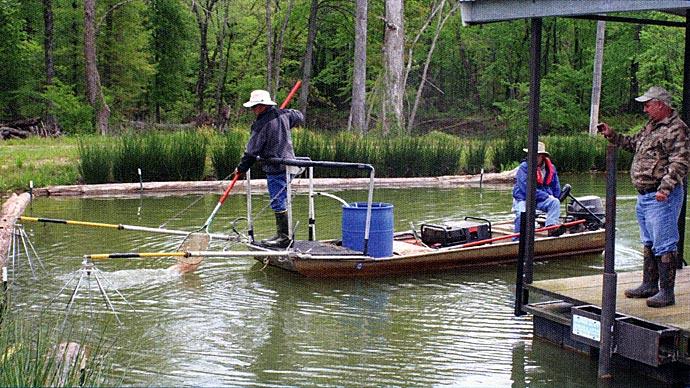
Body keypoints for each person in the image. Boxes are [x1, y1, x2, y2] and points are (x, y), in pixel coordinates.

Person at [598, 86, 690, 308]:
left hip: (662, 196)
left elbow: (681, 161)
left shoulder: (677, 129)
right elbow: (632, 143)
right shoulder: (651, 127)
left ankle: (666, 292)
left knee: (665, 243)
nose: (645, 108)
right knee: (649, 242)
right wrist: (612, 135)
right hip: (645, 196)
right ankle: (649, 284)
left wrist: (665, 188)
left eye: (648, 104)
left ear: (660, 104)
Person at [234, 89, 304, 248]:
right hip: (290, 164)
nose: (253, 110)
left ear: (262, 106)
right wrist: (285, 118)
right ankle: (283, 235)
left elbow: (251, 151)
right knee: (280, 200)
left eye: (254, 107)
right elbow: (299, 116)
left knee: (278, 201)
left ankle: (284, 237)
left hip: (277, 167)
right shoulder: (284, 114)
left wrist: (241, 168)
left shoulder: (261, 125)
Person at [512, 141, 562, 236]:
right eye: (531, 155)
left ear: (542, 156)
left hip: (540, 199)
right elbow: (525, 189)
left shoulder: (551, 168)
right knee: (522, 214)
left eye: (537, 155)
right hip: (524, 198)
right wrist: (546, 196)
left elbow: (556, 187)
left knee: (555, 202)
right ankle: (517, 238)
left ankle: (551, 228)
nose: (534, 158)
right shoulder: (523, 168)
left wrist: (555, 198)